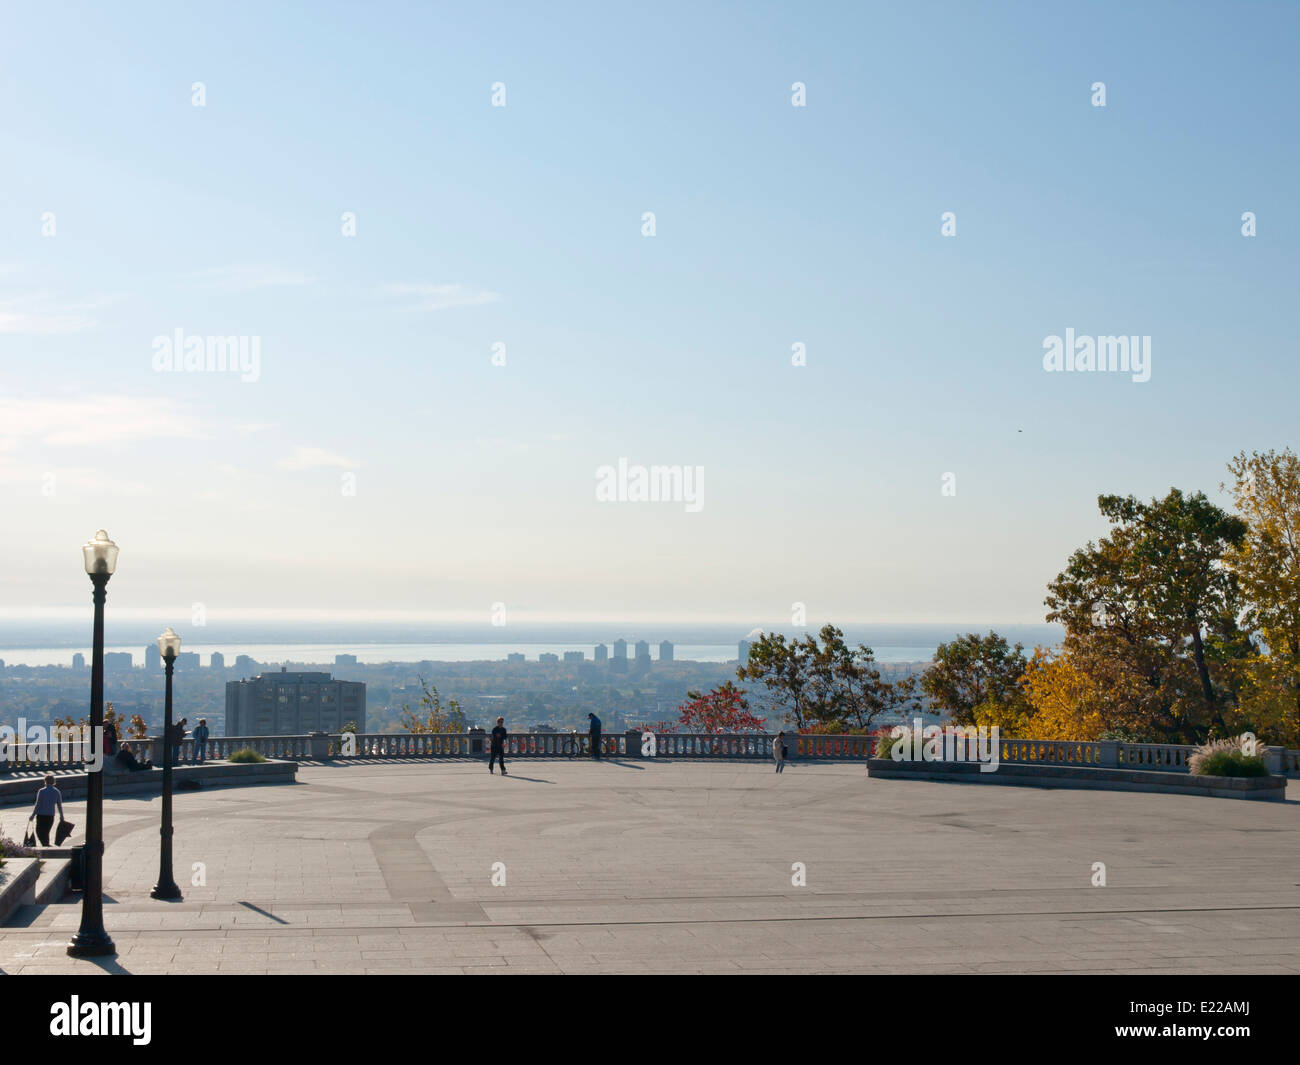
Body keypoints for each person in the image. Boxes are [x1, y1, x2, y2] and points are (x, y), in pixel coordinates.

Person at [28, 774, 65, 846]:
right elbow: (59, 805)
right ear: (53, 781)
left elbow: (38, 805)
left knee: (39, 832)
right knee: (46, 832)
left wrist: (33, 815)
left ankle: (46, 845)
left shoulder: (41, 791)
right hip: (50, 816)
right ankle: (46, 845)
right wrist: (61, 816)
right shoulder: (57, 791)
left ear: (45, 781)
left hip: (41, 815)